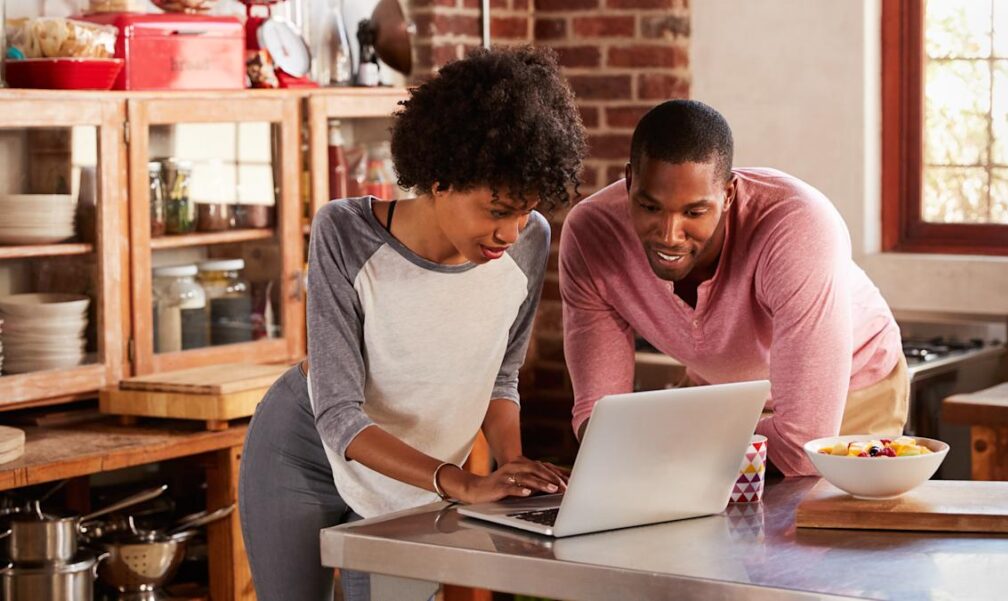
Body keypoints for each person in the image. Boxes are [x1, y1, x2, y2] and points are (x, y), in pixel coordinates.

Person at [239, 46, 585, 601]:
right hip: (302, 454)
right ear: (440, 180)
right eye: (497, 210)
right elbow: (337, 414)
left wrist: (514, 463)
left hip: (415, 478)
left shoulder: (529, 243)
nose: (511, 232)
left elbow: (499, 378)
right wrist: (461, 482)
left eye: (526, 210)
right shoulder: (344, 233)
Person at [559, 99, 907, 476]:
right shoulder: (592, 236)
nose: (669, 235)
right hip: (724, 395)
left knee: (817, 510)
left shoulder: (797, 227)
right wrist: (632, 450)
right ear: (629, 182)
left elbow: (803, 444)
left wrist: (665, 444)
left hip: (852, 392)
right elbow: (599, 417)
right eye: (650, 207)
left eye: (694, 212)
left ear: (728, 195)